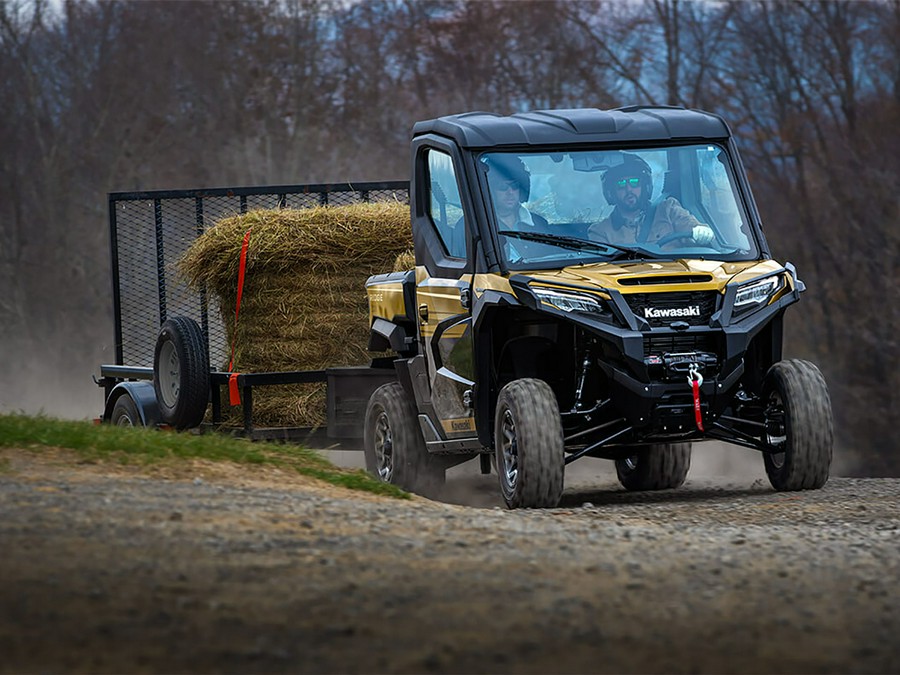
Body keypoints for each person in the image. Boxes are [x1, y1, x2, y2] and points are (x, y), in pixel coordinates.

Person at [588, 153, 715, 248]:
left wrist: (701, 232)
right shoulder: (600, 232)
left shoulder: (668, 210)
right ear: (611, 192)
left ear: (645, 186)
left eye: (634, 182)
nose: (629, 189)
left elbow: (692, 227)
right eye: (621, 184)